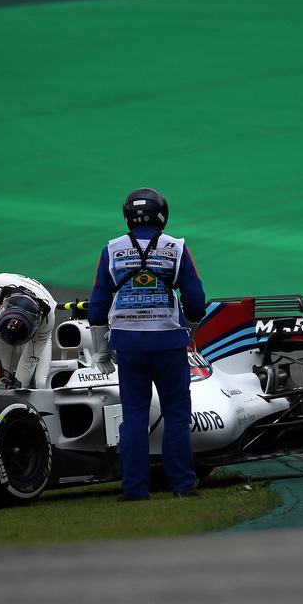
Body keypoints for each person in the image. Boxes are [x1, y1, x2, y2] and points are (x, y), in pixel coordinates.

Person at [88, 187, 208, 501]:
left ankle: (135, 489)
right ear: (162, 215)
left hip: (128, 345)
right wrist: (190, 329)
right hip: (169, 341)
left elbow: (98, 305)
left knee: (134, 416)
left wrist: (101, 349)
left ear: (128, 216)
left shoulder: (111, 250)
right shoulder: (177, 247)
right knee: (177, 414)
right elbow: (195, 299)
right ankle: (182, 485)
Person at [0, 273, 56, 388]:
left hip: (38, 330)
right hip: (5, 322)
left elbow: (29, 361)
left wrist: (18, 390)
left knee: (42, 383)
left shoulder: (47, 318)